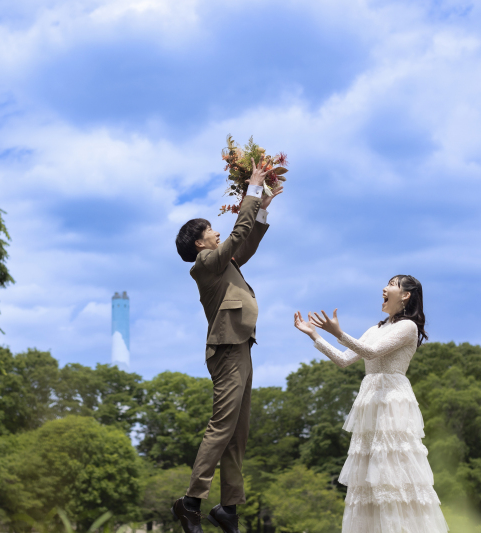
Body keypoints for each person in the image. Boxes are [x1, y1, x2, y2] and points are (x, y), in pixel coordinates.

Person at [171, 158, 283, 533]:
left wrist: (262, 209)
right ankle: (190, 502)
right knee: (221, 427)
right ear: (200, 242)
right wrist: (251, 190)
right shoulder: (204, 264)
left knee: (238, 431)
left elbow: (243, 247)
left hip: (240, 345)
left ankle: (229, 508)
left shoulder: (222, 264)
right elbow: (236, 237)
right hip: (227, 349)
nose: (217, 233)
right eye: (211, 230)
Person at [293, 275, 448, 533]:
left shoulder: (407, 327)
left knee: (394, 477)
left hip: (392, 403)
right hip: (370, 402)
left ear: (406, 295)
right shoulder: (375, 329)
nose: (384, 289)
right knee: (368, 481)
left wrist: (338, 332)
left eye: (392, 285)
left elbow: (373, 353)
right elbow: (344, 359)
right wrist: (315, 336)